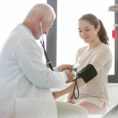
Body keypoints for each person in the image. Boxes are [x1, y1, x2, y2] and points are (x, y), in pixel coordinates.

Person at [0, 3, 88, 118]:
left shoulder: (21, 36)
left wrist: (56, 70)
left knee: (78, 112)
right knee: (80, 113)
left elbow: (32, 72)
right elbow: (42, 79)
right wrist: (65, 76)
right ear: (40, 21)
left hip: (25, 103)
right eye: (49, 26)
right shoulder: (24, 40)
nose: (46, 32)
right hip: (23, 108)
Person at [52, 13, 112, 115]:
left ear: (97, 28)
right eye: (80, 30)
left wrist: (60, 93)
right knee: (56, 112)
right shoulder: (80, 51)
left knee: (70, 114)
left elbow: (87, 75)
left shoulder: (103, 50)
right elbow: (76, 78)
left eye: (87, 29)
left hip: (95, 100)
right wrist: (67, 99)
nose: (83, 33)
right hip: (77, 100)